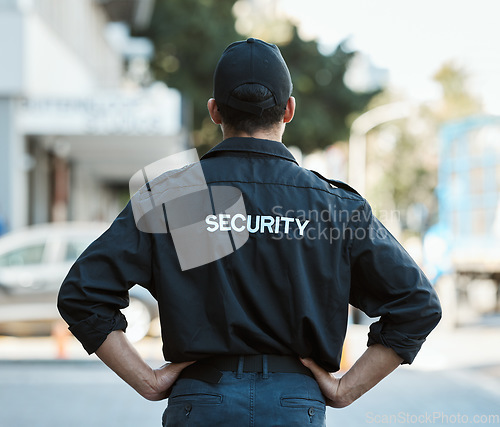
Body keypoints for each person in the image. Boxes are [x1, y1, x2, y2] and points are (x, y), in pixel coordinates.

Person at [58, 38, 441, 426]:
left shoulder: (174, 197)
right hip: (294, 404)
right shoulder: (334, 206)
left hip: (202, 399)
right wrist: (347, 389)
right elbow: (416, 305)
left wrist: (148, 382)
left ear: (214, 111)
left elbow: (82, 293)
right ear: (289, 110)